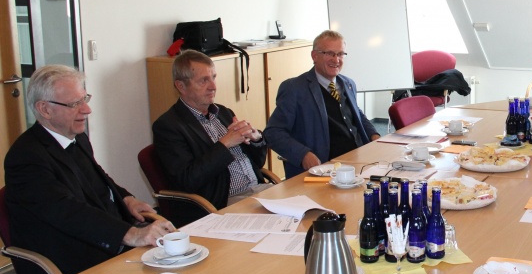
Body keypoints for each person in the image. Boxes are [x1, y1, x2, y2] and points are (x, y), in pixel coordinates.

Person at [5, 65, 174, 274]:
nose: (86, 109)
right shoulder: (25, 158)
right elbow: (67, 211)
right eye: (75, 104)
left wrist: (126, 198)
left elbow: (97, 176)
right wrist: (131, 234)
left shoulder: (75, 136)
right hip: (74, 257)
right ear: (45, 109)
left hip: (103, 240)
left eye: (85, 99)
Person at [152, 50, 272, 224]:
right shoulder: (168, 126)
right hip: (221, 203)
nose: (213, 86)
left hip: (259, 190)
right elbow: (187, 180)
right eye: (203, 80)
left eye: (213, 77)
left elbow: (258, 163)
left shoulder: (223, 112)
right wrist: (225, 144)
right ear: (181, 86)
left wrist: (256, 139)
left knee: (308, 212)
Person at [264, 30, 380, 178]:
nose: (336, 60)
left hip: (358, 160)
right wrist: (303, 154)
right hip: (324, 169)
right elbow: (273, 133)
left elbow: (356, 113)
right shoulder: (295, 89)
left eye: (340, 54)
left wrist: (374, 135)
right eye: (329, 53)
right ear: (314, 56)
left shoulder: (348, 83)